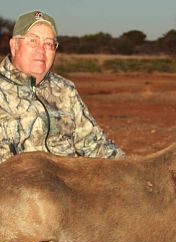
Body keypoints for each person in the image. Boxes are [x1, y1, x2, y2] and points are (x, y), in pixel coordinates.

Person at [0, 10, 124, 163]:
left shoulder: (65, 89)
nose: (41, 50)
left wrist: (128, 168)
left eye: (49, 43)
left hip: (71, 181)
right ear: (14, 45)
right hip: (20, 183)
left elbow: (94, 144)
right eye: (32, 41)